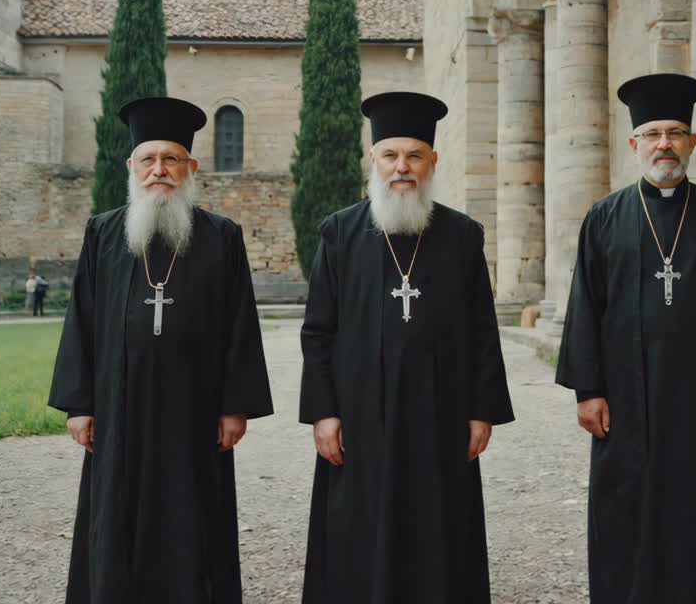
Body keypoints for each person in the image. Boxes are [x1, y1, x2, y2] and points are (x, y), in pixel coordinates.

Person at [556, 73, 696, 603]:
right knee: (628, 503)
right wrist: (587, 391)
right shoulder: (604, 218)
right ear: (634, 143)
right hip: (626, 401)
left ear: (693, 143)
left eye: (676, 132)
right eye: (654, 133)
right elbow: (584, 307)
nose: (665, 143)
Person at [49, 96, 274, 604]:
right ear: (131, 167)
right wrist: (80, 404)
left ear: (190, 167)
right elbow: (81, 317)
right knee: (116, 512)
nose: (160, 170)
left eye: (171, 159)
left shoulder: (221, 237)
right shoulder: (103, 233)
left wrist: (233, 406)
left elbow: (241, 323)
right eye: (149, 160)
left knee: (193, 511)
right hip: (117, 406)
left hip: (194, 411)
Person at [299, 91, 515, 604]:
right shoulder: (340, 233)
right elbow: (317, 330)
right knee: (358, 526)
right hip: (359, 419)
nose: (402, 167)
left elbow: (483, 328)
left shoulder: (462, 236)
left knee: (438, 527)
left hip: (439, 417)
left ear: (432, 161)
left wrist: (481, 411)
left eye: (414, 155)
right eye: (391, 155)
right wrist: (323, 413)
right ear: (373, 159)